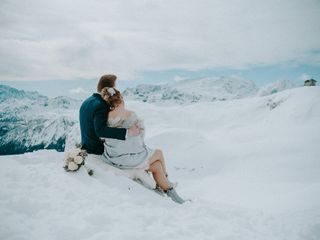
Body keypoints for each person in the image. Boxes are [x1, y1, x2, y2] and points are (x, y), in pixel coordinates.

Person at [100, 86, 185, 204]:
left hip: (113, 157)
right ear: (121, 98)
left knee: (157, 166)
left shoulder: (103, 117)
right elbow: (137, 143)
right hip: (128, 159)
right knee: (159, 153)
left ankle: (170, 192)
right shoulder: (130, 115)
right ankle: (168, 184)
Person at [79, 74, 140, 155]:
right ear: (110, 89)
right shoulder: (101, 105)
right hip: (96, 150)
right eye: (115, 86)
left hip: (87, 146)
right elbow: (101, 131)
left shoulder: (87, 101)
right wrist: (127, 132)